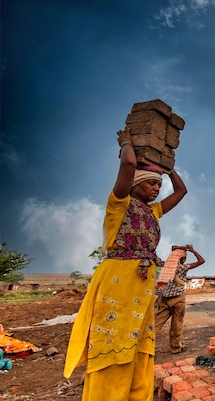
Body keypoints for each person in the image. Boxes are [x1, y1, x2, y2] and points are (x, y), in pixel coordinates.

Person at [64, 129, 187, 401]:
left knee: (139, 344)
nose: (156, 188)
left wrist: (168, 169)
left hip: (141, 286)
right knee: (113, 343)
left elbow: (181, 191)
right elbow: (129, 164)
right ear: (134, 184)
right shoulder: (119, 204)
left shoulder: (152, 211)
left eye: (158, 184)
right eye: (151, 183)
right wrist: (126, 143)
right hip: (117, 282)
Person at [154, 244, 205, 354]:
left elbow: (156, 260)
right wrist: (192, 250)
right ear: (181, 258)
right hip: (178, 300)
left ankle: (143, 346)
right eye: (184, 257)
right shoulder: (182, 267)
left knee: (155, 323)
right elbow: (201, 261)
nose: (185, 259)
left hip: (164, 299)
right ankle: (175, 347)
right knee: (177, 324)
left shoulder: (165, 265)